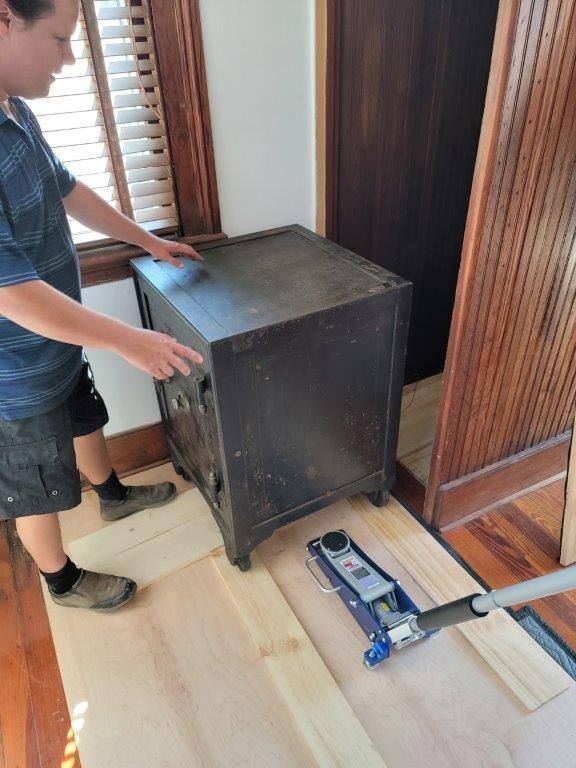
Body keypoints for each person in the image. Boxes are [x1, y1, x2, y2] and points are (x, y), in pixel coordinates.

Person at [0, 0, 204, 612]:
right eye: (61, 39)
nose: (70, 57)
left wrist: (147, 240)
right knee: (34, 483)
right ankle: (61, 581)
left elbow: (66, 188)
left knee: (86, 416)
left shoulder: (14, 109)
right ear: (5, 18)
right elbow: (10, 292)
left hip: (60, 338)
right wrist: (126, 339)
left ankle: (111, 493)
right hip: (14, 374)